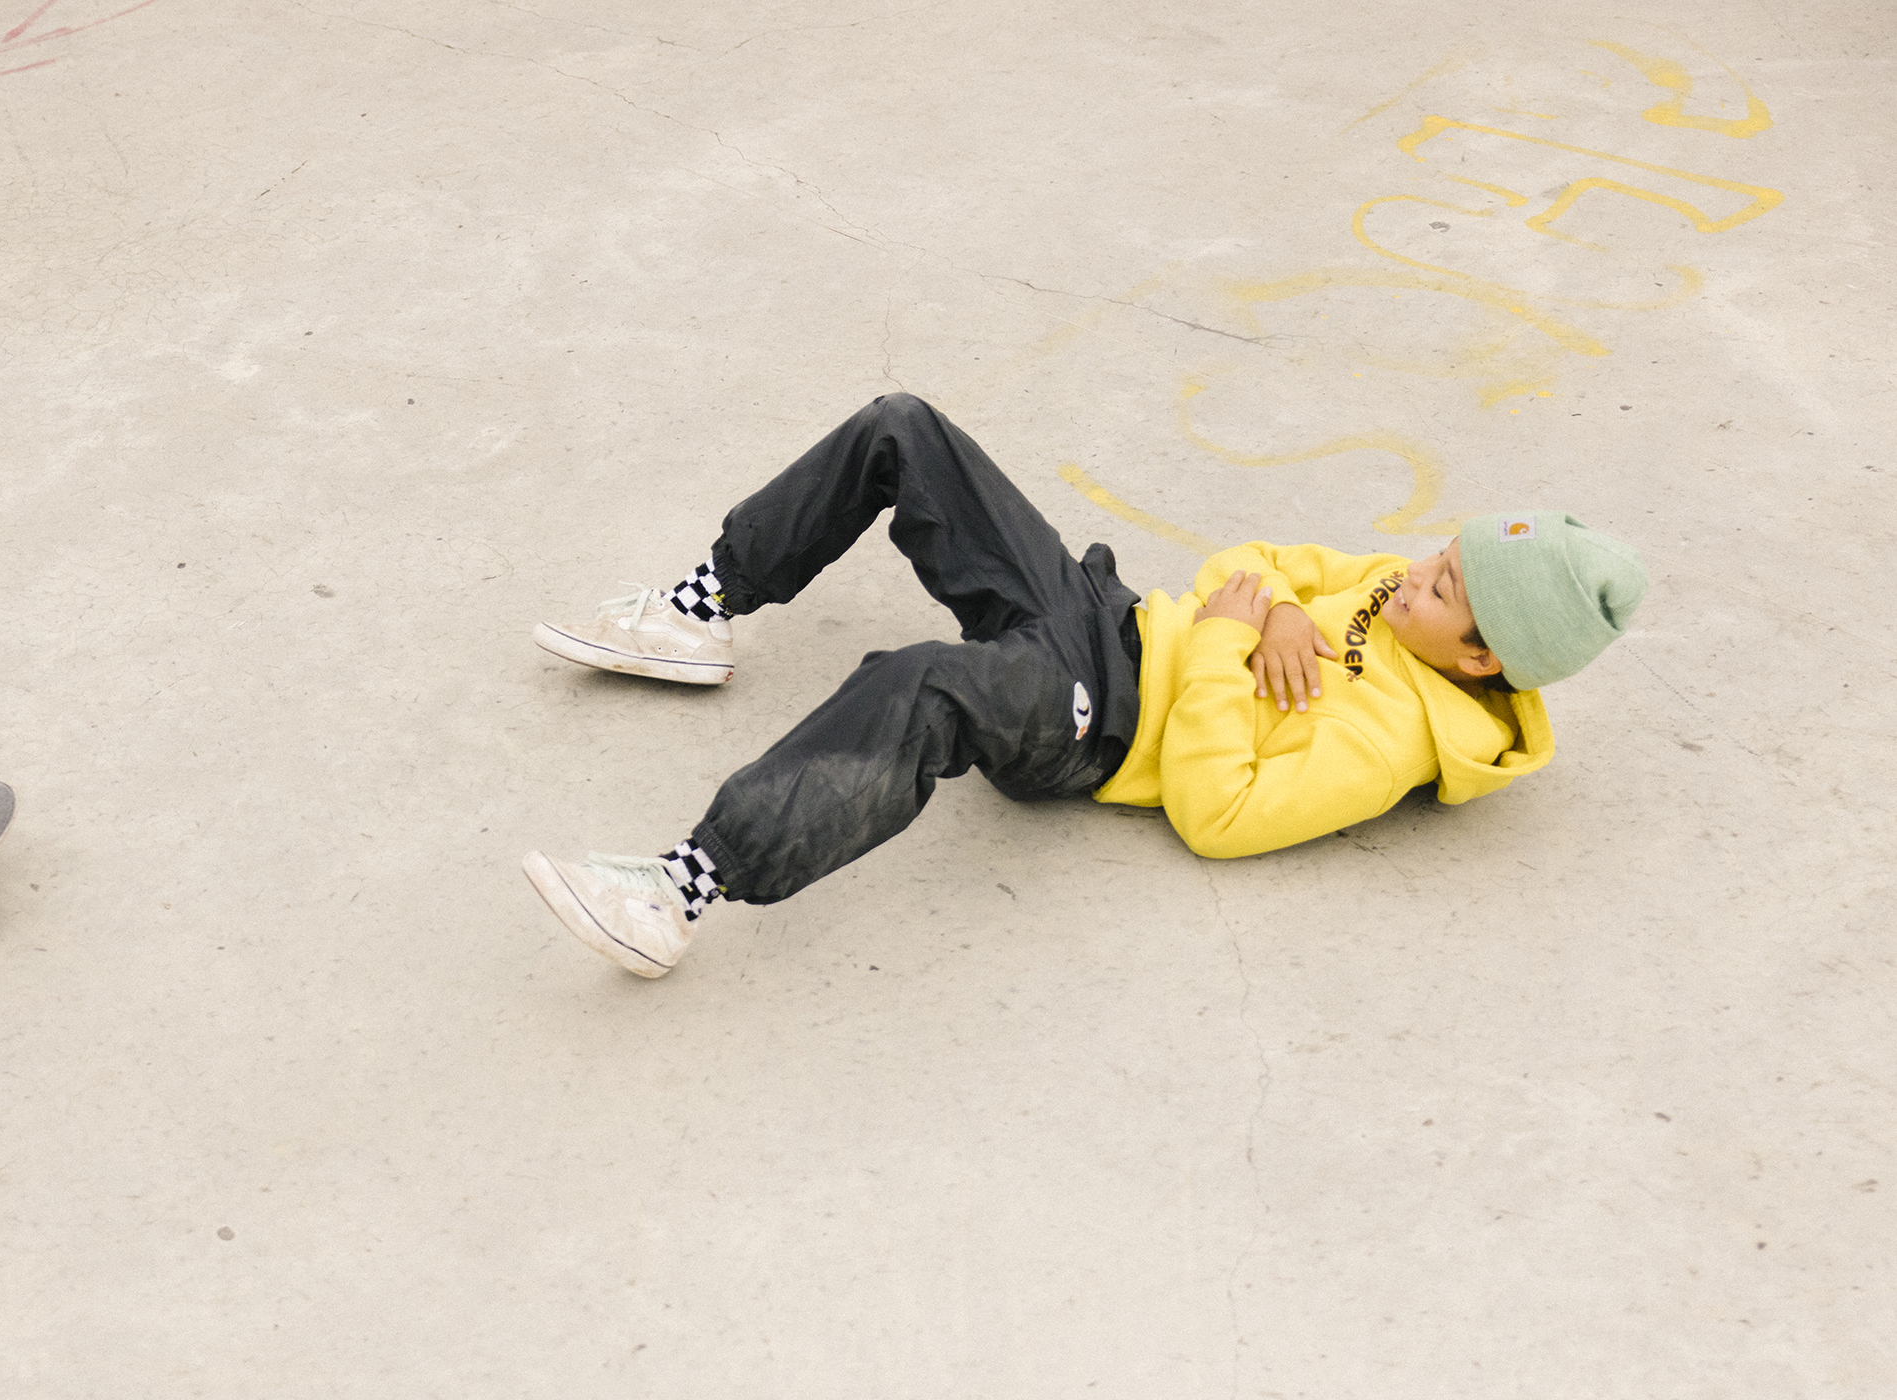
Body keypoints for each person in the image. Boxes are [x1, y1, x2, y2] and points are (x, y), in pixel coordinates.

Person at [521, 393, 1646, 978]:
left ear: (1482, 656)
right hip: (1098, 617)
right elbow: (1245, 564)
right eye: (1438, 553)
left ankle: (679, 887)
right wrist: (1284, 610)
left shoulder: (1394, 738)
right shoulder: (1393, 588)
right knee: (904, 429)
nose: (1410, 569)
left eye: (1443, 585)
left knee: (921, 685)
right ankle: (699, 607)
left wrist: (1220, 644)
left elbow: (1222, 814)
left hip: (1097, 720)